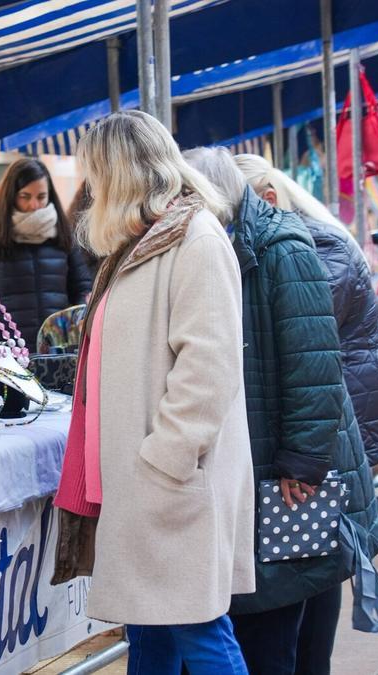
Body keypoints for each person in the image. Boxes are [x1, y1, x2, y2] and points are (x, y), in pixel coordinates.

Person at [52, 110, 254, 674]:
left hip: (168, 479)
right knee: (151, 630)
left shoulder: (195, 239)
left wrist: (164, 456)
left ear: (120, 172)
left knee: (197, 627)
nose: (89, 188)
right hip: (142, 481)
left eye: (95, 173)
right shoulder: (140, 243)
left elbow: (208, 366)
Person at [185, 146, 378, 675]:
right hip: (278, 460)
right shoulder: (241, 241)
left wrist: (303, 459)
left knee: (286, 605)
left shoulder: (281, 246)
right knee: (288, 600)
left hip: (293, 468)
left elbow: (313, 362)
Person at [235, 154, 378, 468]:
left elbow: (306, 335)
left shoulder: (320, 244)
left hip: (349, 405)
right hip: (337, 405)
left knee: (338, 512)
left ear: (269, 199)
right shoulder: (306, 241)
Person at [0, 158, 94, 343]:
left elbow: (82, 288)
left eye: (41, 197)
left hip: (56, 350)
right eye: (25, 196)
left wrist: (74, 324)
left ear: (50, 195)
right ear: (11, 195)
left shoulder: (63, 233)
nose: (34, 205)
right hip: (6, 351)